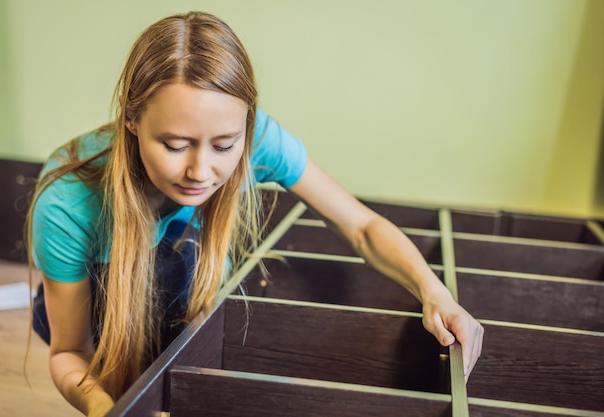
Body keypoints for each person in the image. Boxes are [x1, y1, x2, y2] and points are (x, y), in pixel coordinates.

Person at [27, 11, 483, 417]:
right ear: (131, 119)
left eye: (225, 145)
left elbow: (361, 226)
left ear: (246, 125)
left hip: (180, 287)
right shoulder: (68, 203)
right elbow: (69, 352)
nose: (201, 171)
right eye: (175, 144)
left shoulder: (259, 138)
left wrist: (434, 292)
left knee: (189, 281)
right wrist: (105, 405)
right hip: (96, 304)